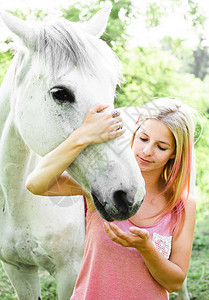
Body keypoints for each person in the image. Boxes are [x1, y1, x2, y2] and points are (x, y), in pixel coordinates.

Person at [25, 98, 197, 300]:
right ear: (134, 135)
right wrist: (82, 136)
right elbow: (36, 184)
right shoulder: (104, 185)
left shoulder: (182, 206)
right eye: (143, 138)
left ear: (174, 154)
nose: (147, 151)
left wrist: (145, 248)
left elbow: (174, 282)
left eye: (161, 147)